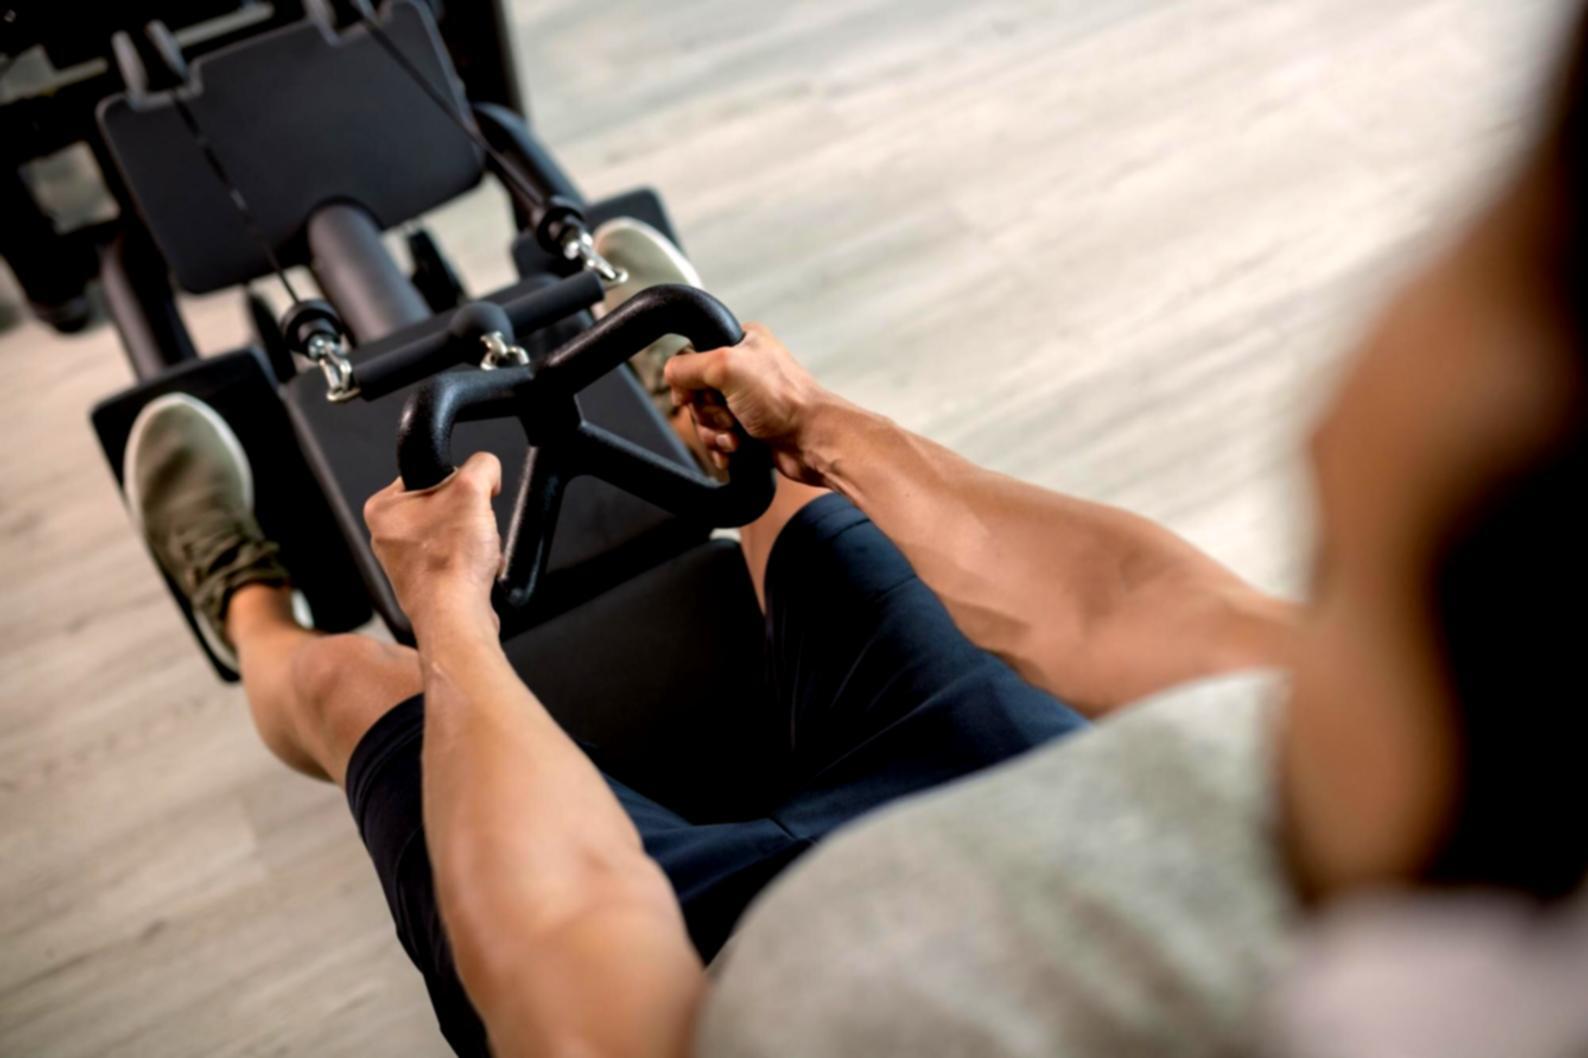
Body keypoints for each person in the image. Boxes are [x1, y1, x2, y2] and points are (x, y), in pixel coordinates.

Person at [118, 9, 1588, 1055]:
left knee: (368, 690)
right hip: (1009, 796)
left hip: (700, 965)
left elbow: (567, 962)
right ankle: (690, 383)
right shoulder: (1476, 724)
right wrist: (821, 418)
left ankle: (242, 608)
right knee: (789, 500)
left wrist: (448, 618)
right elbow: (1128, 611)